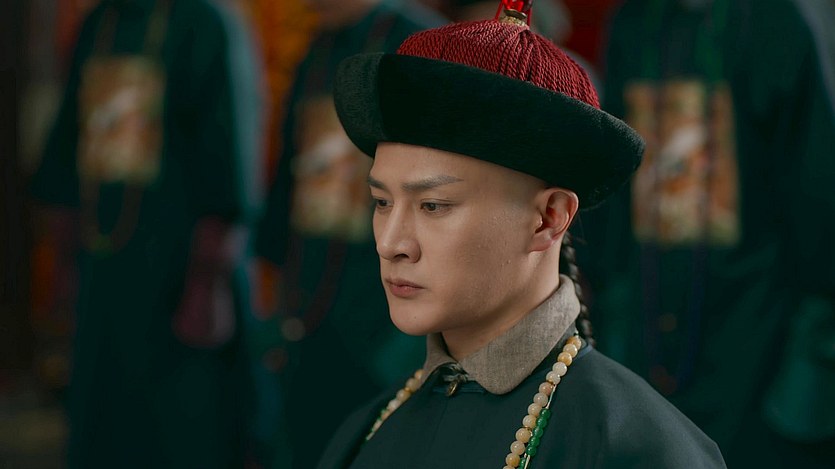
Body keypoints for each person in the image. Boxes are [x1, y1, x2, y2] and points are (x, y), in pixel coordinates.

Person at [314, 1, 726, 467]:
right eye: (382, 202)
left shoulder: (636, 448)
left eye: (433, 206)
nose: (391, 244)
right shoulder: (367, 431)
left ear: (548, 218)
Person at [581, 0, 835, 466]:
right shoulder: (635, 22)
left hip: (759, 348)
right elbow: (612, 199)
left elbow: (819, 204)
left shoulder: (780, 21)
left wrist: (804, 384)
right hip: (643, 341)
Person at [30, 0, 262, 466]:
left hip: (182, 276)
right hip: (104, 270)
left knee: (183, 431)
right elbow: (67, 153)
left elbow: (228, 161)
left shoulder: (206, 21)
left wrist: (207, 285)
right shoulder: (101, 22)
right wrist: (64, 267)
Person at [252, 0, 444, 465]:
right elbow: (289, 180)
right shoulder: (317, 51)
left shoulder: (420, 46)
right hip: (308, 300)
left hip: (385, 315)